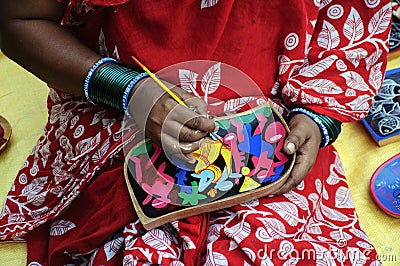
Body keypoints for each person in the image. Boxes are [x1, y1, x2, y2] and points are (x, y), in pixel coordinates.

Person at [0, 0, 391, 265]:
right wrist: (129, 90)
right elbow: (18, 20)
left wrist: (316, 117)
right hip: (114, 103)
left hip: (271, 120)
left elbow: (350, 26)